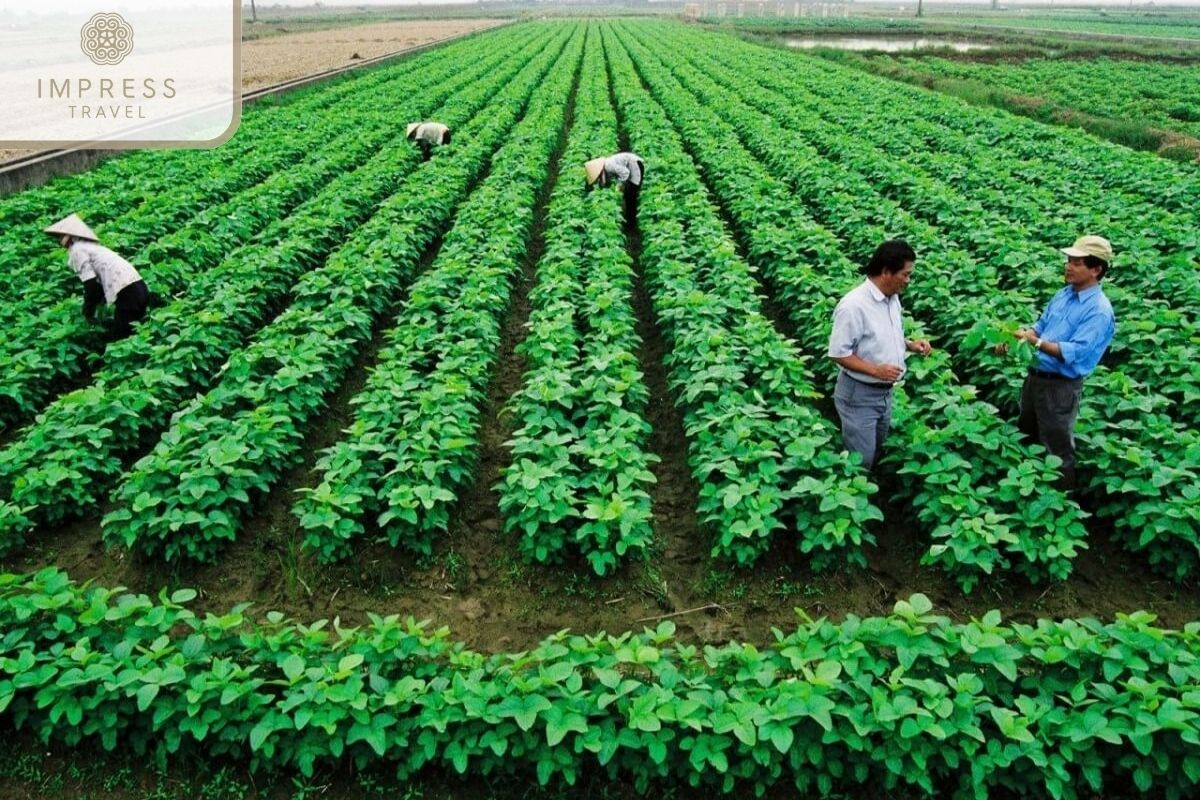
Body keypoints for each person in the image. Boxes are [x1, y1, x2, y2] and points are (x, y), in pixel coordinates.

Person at [1000, 235, 1116, 491]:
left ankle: (1060, 503)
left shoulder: (1098, 310)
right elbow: (1040, 326)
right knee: (1026, 435)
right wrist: (1015, 337)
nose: (1068, 266)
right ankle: (1025, 489)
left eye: (1076, 262)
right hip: (1036, 379)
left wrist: (1034, 342)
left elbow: (1074, 351)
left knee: (1057, 450)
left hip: (1060, 388)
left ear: (1096, 269)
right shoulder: (1064, 294)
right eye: (1068, 260)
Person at [827, 239, 932, 471]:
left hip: (884, 394)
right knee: (860, 461)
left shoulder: (891, 299)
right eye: (905, 274)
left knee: (875, 450)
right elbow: (837, 353)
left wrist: (911, 345)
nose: (908, 280)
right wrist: (876, 370)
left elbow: (884, 336)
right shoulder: (853, 306)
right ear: (886, 271)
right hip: (859, 395)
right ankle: (851, 497)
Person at [44, 213, 149, 341]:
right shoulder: (91, 247)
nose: (59, 240)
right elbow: (97, 288)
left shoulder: (78, 250)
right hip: (139, 287)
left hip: (128, 291)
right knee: (133, 334)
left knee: (121, 339)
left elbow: (91, 285)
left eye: (60, 236)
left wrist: (87, 311)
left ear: (69, 236)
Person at [585, 152, 646, 224]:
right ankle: (629, 221)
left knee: (631, 195)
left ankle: (631, 223)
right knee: (628, 195)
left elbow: (625, 173)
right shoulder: (606, 165)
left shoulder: (608, 166)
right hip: (632, 166)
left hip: (635, 165)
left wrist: (619, 186)